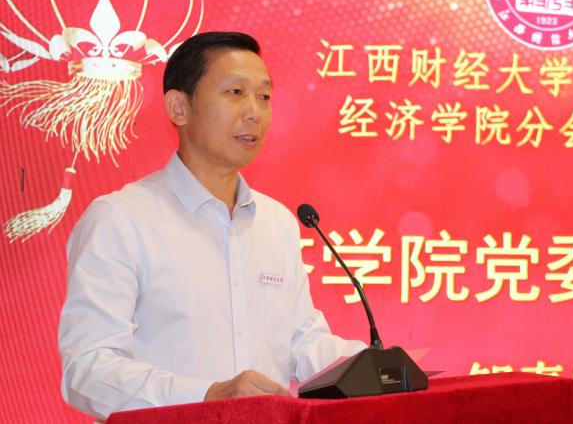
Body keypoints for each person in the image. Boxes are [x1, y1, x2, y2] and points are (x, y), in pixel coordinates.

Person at [58, 32, 366, 420]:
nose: (254, 112)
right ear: (178, 107)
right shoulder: (121, 219)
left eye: (264, 96)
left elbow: (301, 341)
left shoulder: (278, 223)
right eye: (235, 92)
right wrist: (207, 396)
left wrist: (374, 367)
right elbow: (89, 370)